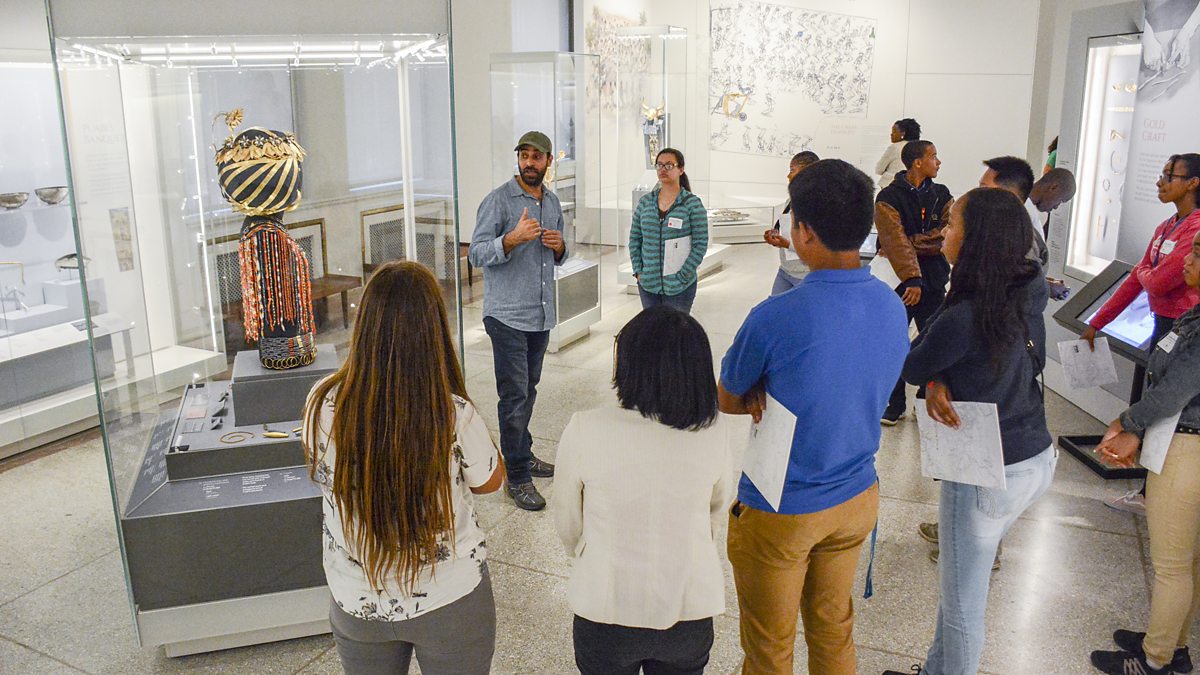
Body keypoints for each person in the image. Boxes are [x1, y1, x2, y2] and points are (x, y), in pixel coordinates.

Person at [719, 159, 909, 675]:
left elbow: (728, 399)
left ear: (802, 232)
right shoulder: (891, 306)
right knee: (832, 629)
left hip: (783, 505)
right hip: (858, 496)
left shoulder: (775, 316)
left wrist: (761, 387)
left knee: (769, 648)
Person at [884, 188, 1056, 675]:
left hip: (984, 469)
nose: (944, 233)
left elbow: (914, 364)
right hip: (1033, 456)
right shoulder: (1025, 289)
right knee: (960, 584)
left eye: (953, 224)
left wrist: (934, 373)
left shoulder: (966, 313)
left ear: (977, 238)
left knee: (962, 604)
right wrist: (943, 376)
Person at [303, 261, 504, 675]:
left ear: (365, 325)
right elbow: (490, 482)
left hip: (357, 597)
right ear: (434, 332)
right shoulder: (452, 412)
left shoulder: (321, 403)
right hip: (449, 597)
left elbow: (320, 468)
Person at [553, 306, 733, 675]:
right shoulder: (713, 432)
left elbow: (568, 521)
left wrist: (590, 553)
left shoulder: (587, 428)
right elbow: (715, 513)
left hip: (606, 610)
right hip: (688, 607)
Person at [1087, 229, 1200, 675]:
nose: (1187, 259)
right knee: (1187, 562)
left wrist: (1129, 424)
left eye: (1197, 253)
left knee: (1172, 566)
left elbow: (1174, 391)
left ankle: (1155, 661)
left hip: (1186, 446)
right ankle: (1172, 644)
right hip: (1182, 439)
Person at [1082, 154, 1200, 517]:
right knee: (1156, 400)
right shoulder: (1167, 225)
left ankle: (1162, 491)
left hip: (1187, 331)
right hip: (1165, 327)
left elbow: (1158, 281)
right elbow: (1141, 278)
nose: (1160, 182)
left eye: (1169, 175)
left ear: (1193, 183)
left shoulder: (1195, 228)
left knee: (1172, 405)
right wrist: (1099, 320)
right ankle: (1151, 490)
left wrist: (1147, 273)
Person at [468, 130, 566, 511]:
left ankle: (522, 451)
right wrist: (510, 239)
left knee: (529, 389)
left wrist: (560, 248)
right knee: (514, 396)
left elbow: (559, 252)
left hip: (539, 315)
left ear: (548, 162)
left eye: (536, 157)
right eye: (524, 156)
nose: (528, 163)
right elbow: (475, 254)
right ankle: (518, 477)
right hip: (506, 316)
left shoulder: (552, 202)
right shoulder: (498, 201)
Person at [875, 139, 954, 425]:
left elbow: (943, 234)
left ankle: (924, 400)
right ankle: (894, 403)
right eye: (934, 156)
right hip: (900, 284)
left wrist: (907, 242)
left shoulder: (942, 194)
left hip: (933, 281)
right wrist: (912, 278)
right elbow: (891, 238)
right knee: (893, 343)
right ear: (917, 162)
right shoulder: (888, 197)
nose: (938, 162)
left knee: (934, 343)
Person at [629, 148, 709, 313]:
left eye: (669, 165)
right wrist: (639, 272)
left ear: (681, 169)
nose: (663, 169)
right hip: (648, 285)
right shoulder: (645, 202)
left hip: (680, 287)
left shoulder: (692, 204)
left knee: (676, 328)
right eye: (659, 165)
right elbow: (635, 239)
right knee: (652, 327)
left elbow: (700, 244)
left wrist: (683, 275)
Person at [762, 151, 819, 295]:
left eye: (792, 170)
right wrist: (776, 237)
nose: (788, 176)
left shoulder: (818, 204)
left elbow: (816, 245)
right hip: (785, 270)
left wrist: (786, 244)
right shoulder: (791, 201)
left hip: (806, 274)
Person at [978, 155, 1048, 266]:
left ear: (1009, 196)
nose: (976, 195)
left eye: (983, 188)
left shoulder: (1021, 249)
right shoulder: (992, 230)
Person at [1030, 167, 1078, 240]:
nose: (1056, 207)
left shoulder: (1030, 211)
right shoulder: (1023, 210)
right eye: (1060, 200)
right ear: (1053, 187)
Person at [876, 118, 921, 189]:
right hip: (912, 187)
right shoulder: (920, 147)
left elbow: (879, 169)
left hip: (891, 186)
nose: (891, 134)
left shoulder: (895, 147)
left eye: (894, 131)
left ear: (903, 133)